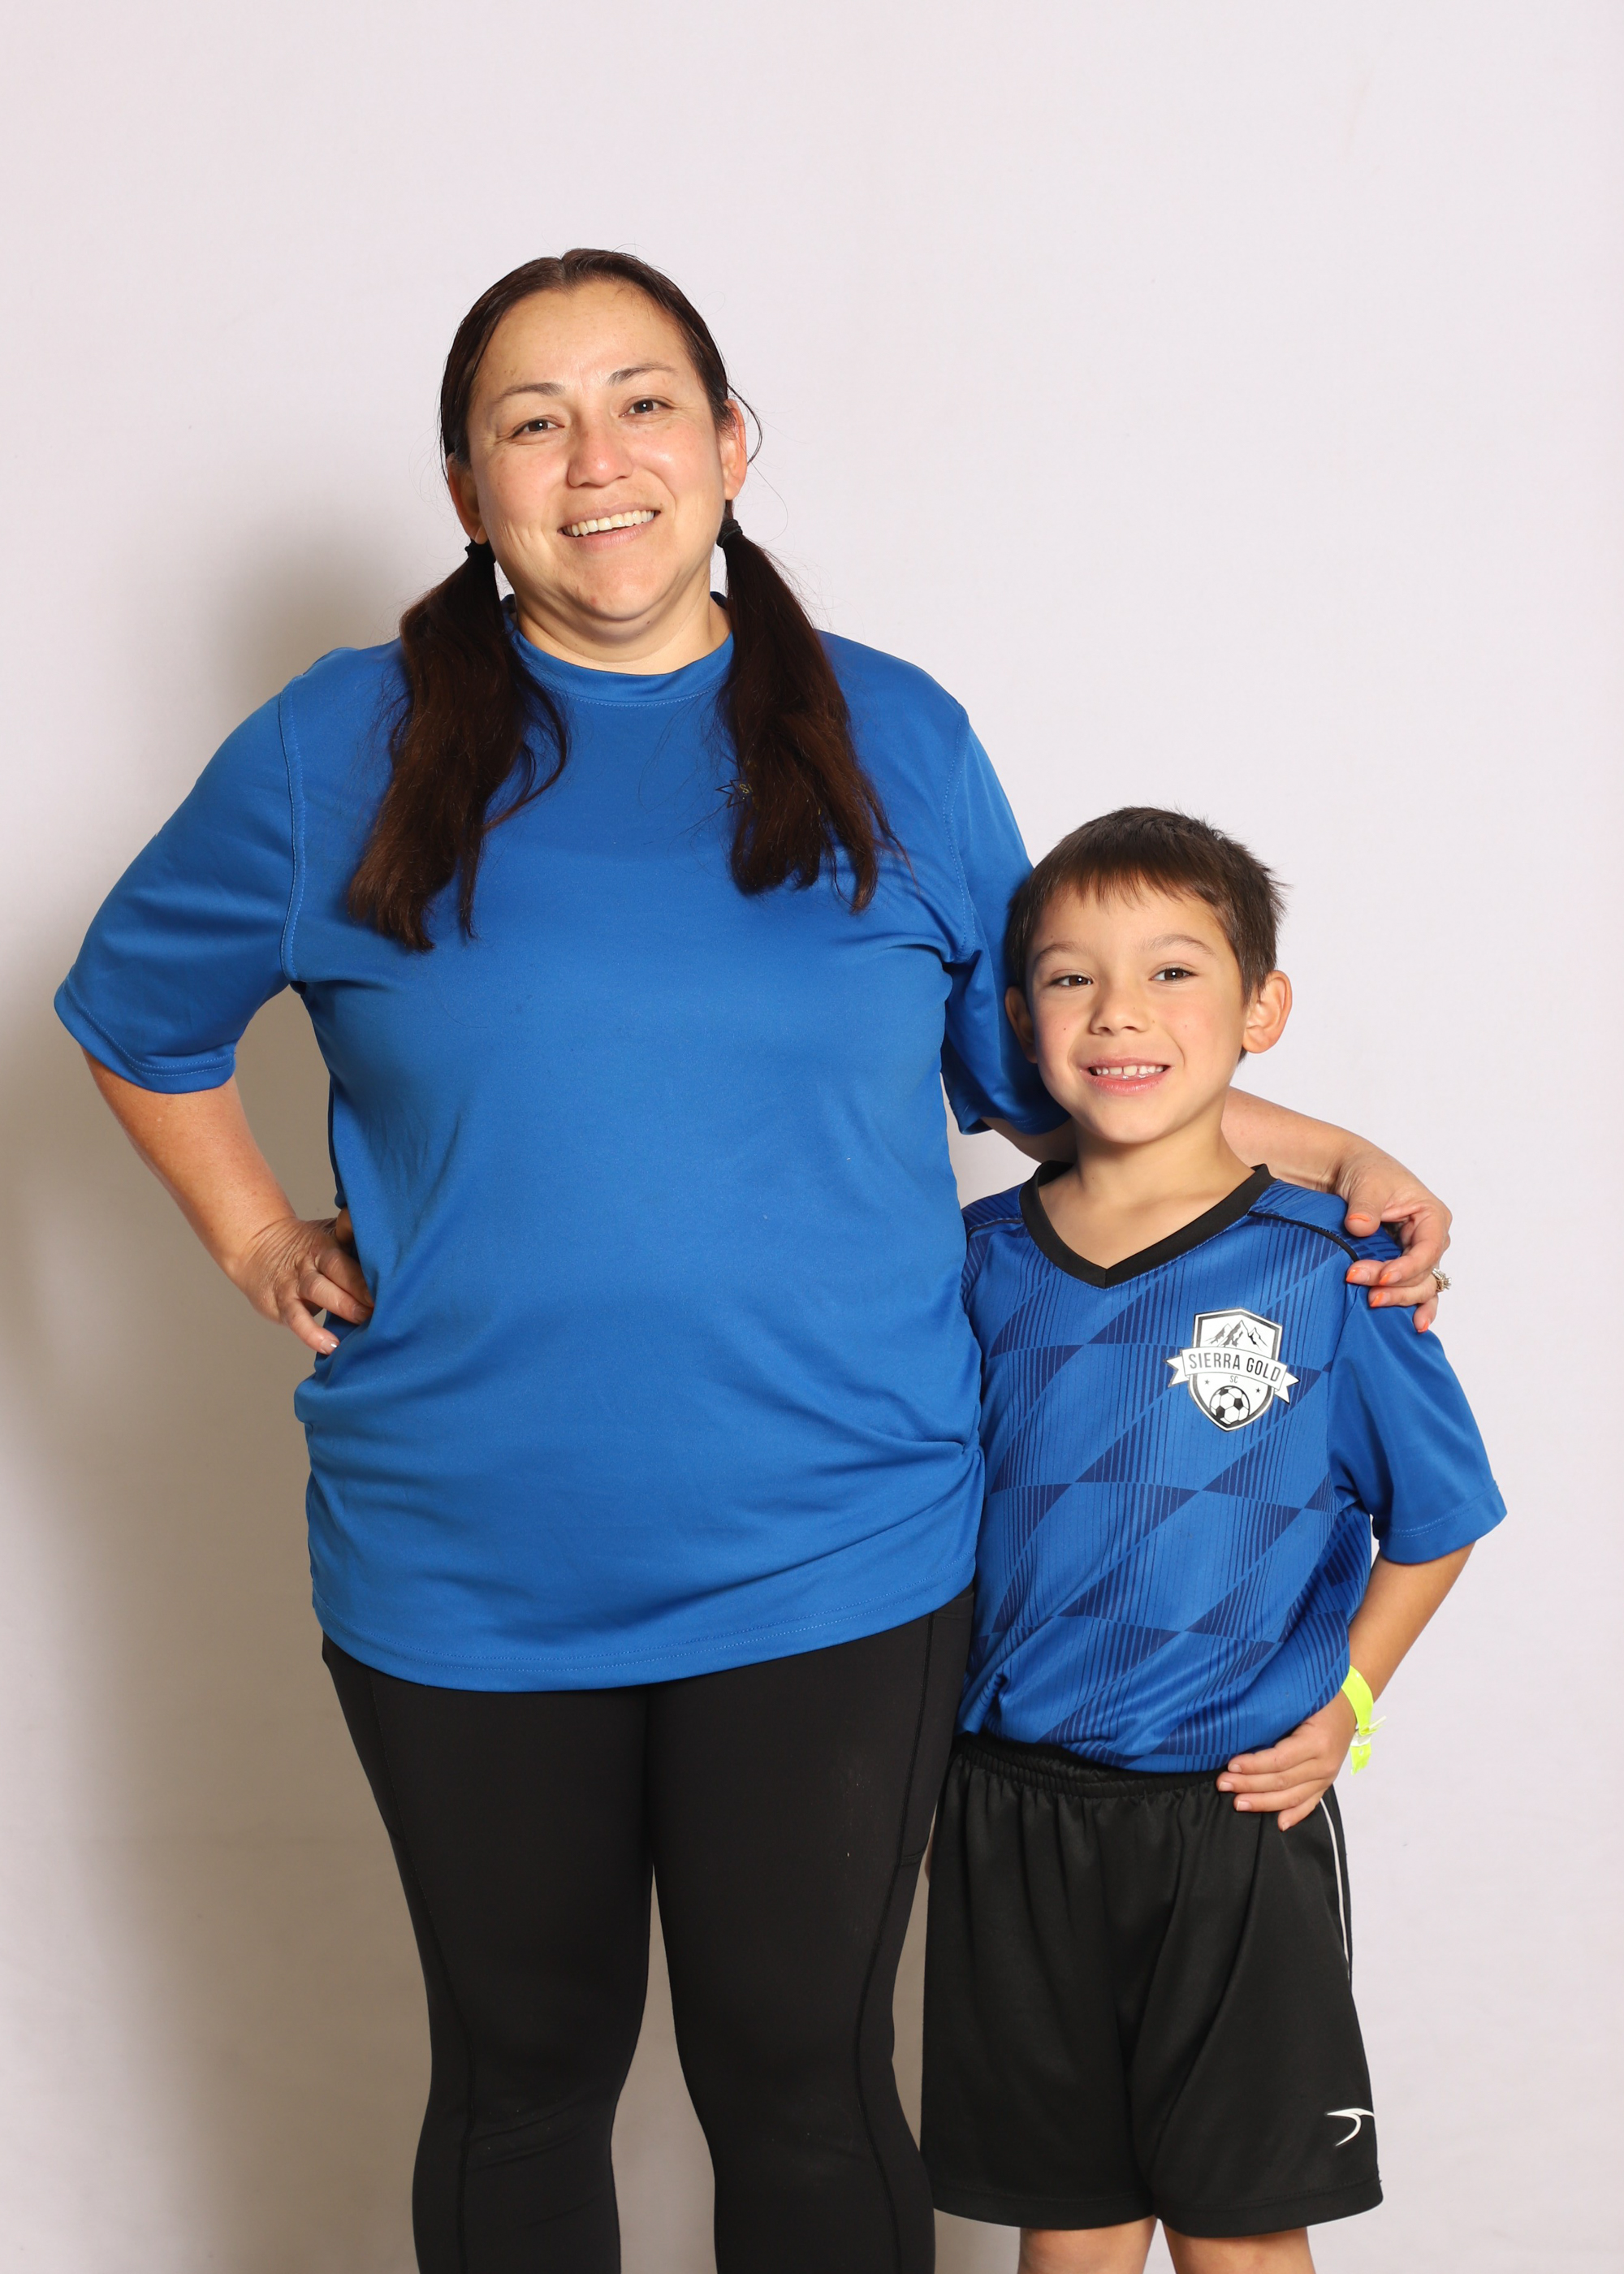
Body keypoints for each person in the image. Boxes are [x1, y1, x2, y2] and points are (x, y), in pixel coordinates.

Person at [56, 253, 1452, 2274]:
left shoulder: (892, 733)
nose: (594, 460)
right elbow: (133, 1011)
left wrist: (1326, 1153)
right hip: (463, 1552)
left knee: (799, 2080)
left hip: (838, 1545)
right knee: (523, 2077)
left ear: (726, 445)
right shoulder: (330, 746)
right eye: (531, 420)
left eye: (643, 403)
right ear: (465, 488)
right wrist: (256, 1231)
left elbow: (1065, 1066)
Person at [921, 807, 1504, 2274]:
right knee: (1071, 2231)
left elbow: (1438, 1522)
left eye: (1172, 972)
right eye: (1072, 978)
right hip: (1011, 1814)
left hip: (1232, 1822)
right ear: (1018, 1020)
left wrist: (1348, 1701)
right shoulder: (975, 1271)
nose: (1119, 1012)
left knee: (1238, 2237)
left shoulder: (1327, 1268)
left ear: (1263, 1009)